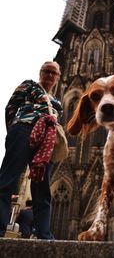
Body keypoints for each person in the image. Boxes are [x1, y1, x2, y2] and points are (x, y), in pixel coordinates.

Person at [0, 61, 62, 239]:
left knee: (42, 189)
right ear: (41, 72)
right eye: (47, 71)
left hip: (46, 141)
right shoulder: (28, 85)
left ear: (58, 77)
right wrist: (14, 129)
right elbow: (11, 107)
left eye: (53, 73)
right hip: (24, 130)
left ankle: (44, 234)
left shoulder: (57, 102)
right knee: (8, 180)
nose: (50, 75)